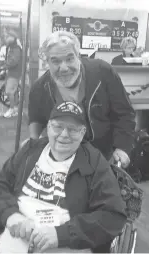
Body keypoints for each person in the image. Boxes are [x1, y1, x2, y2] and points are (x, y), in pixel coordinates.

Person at [0, 102, 127, 253]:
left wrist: (61, 235)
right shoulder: (30, 151)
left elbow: (113, 216)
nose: (64, 134)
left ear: (83, 132)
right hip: (15, 240)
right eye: (58, 126)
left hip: (65, 245)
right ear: (49, 127)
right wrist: (11, 215)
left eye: (73, 129)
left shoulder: (95, 163)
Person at [27, 31, 136, 168]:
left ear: (78, 55)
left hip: (103, 156)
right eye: (55, 61)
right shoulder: (40, 88)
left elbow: (124, 113)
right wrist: (32, 142)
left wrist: (122, 147)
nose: (64, 68)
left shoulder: (103, 72)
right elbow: (36, 119)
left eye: (69, 58)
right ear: (47, 62)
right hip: (63, 159)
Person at [3, 29, 22, 118]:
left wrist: (5, 65)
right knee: (13, 92)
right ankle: (15, 110)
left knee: (9, 91)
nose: (6, 39)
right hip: (12, 73)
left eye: (7, 37)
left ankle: (12, 109)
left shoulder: (16, 49)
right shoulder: (12, 48)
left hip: (14, 73)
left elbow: (13, 61)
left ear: (13, 38)